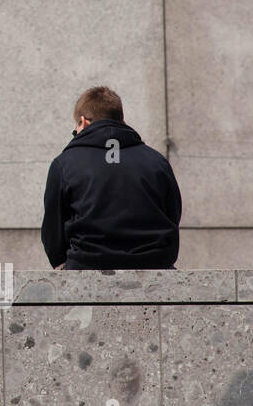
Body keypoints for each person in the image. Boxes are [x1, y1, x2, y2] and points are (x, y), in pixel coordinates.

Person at [42, 86, 181, 270]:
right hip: (155, 266)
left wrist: (63, 262)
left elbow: (53, 229)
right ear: (122, 121)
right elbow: (173, 214)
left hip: (86, 266)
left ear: (83, 122)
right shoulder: (157, 161)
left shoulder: (64, 163)